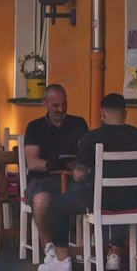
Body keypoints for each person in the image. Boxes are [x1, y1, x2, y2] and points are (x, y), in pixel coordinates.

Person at [36, 93, 137, 271]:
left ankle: (62, 260)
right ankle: (114, 254)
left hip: (101, 200)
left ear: (102, 113)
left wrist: (87, 172)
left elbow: (78, 175)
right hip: (134, 200)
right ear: (125, 113)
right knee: (121, 198)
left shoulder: (92, 137)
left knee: (57, 205)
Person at [24, 83, 88, 252]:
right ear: (45, 104)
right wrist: (49, 164)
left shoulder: (78, 123)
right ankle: (50, 247)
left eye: (64, 104)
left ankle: (94, 250)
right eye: (56, 105)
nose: (61, 109)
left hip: (72, 179)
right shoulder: (35, 127)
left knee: (95, 196)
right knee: (41, 200)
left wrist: (79, 163)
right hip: (43, 180)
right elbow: (31, 162)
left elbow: (86, 152)